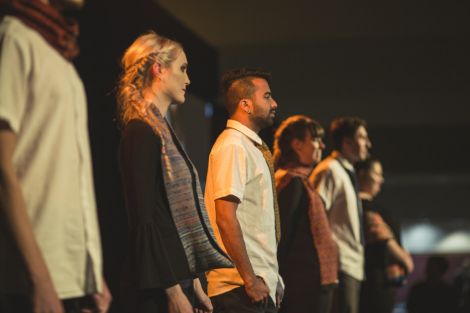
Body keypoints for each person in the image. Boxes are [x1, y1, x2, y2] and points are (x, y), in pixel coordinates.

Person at [0, 0, 112, 312]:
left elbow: (69, 172)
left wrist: (89, 270)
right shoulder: (15, 38)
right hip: (33, 280)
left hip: (69, 276)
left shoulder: (64, 60)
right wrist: (40, 280)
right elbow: (2, 166)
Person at [117, 31, 232, 313]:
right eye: (182, 69)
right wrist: (172, 292)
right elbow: (144, 220)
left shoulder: (163, 132)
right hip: (160, 284)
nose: (188, 79)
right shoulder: (140, 131)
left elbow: (174, 218)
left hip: (176, 276)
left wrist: (192, 284)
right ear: (159, 69)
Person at [204, 67, 284, 313]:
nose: (275, 103)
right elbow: (225, 217)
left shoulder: (251, 147)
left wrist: (273, 277)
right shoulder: (233, 145)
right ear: (246, 105)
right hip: (238, 288)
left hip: (255, 284)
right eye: (267, 96)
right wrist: (250, 279)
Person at [273, 115, 338, 313]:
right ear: (297, 144)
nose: (322, 145)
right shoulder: (291, 181)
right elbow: (281, 235)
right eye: (316, 140)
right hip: (302, 284)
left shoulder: (299, 180)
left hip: (310, 281)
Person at [309, 116, 371, 313]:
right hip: (340, 263)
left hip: (351, 264)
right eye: (362, 137)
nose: (368, 143)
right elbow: (315, 216)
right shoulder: (330, 170)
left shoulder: (346, 172)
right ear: (346, 141)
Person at [355, 158, 414, 313]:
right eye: (377, 174)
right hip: (376, 279)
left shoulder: (358, 205)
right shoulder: (365, 206)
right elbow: (380, 236)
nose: (381, 179)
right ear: (361, 174)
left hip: (375, 280)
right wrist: (405, 260)